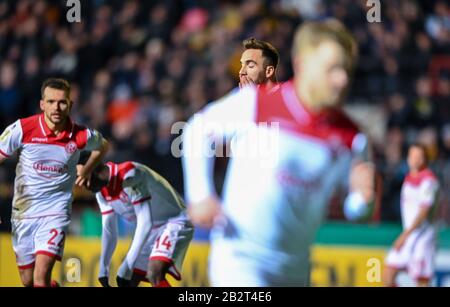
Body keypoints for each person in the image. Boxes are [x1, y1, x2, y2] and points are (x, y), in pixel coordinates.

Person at [182, 19, 375, 286]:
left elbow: (355, 209)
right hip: (239, 261)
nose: (342, 80)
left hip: (296, 271)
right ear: (302, 64)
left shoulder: (352, 138)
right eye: (333, 69)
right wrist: (200, 194)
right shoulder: (258, 103)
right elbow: (197, 130)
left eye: (346, 70)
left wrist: (364, 201)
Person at [0, 78, 109, 287]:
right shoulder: (23, 129)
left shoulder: (79, 134)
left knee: (40, 278)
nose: (56, 107)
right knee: (27, 280)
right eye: (51, 102)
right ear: (42, 104)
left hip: (56, 210)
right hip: (24, 211)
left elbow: (103, 146)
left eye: (62, 102)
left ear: (70, 104)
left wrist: (87, 170)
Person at [84, 161, 194, 287]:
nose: (80, 183)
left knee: (154, 272)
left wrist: (127, 264)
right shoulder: (101, 192)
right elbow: (109, 230)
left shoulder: (129, 174)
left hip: (174, 220)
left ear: (94, 171)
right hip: (153, 228)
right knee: (129, 281)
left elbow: (145, 222)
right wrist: (103, 267)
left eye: (82, 177)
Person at [383, 144, 440, 287]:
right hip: (409, 233)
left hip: (422, 235)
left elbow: (423, 212)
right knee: (388, 273)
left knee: (421, 280)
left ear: (424, 159)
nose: (415, 159)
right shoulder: (409, 177)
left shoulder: (428, 180)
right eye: (412, 156)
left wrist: (405, 235)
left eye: (418, 156)